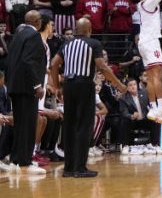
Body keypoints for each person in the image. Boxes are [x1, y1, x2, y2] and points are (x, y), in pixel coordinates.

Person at [48, 17, 126, 177]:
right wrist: (119, 84)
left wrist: (56, 86)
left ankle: (68, 168)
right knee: (84, 125)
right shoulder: (93, 44)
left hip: (68, 85)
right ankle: (80, 168)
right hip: (84, 85)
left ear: (76, 30)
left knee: (70, 125)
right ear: (90, 30)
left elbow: (54, 64)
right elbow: (102, 67)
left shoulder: (67, 44)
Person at [6, 10, 48, 174]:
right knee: (28, 124)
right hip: (26, 87)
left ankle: (16, 159)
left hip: (15, 86)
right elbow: (28, 61)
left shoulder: (18, 35)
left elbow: (11, 60)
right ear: (37, 22)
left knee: (20, 124)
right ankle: (25, 162)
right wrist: (37, 85)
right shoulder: (34, 36)